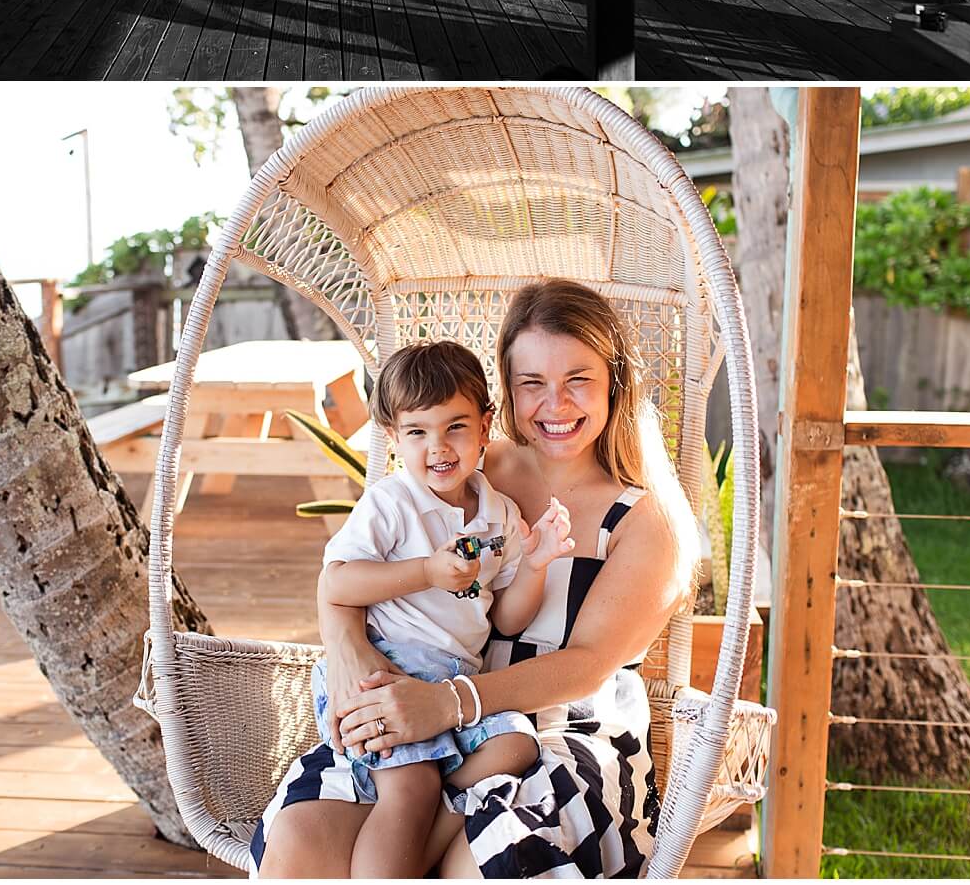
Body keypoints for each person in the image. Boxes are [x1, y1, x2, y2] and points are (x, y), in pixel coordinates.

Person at [253, 279, 701, 880]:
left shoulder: (647, 524)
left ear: (615, 386)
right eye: (532, 384)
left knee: (493, 853)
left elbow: (587, 664)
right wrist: (349, 652)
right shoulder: (466, 465)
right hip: (421, 690)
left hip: (562, 725)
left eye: (578, 380)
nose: (556, 405)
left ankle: (433, 819)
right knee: (303, 842)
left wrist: (448, 704)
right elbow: (345, 577)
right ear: (505, 397)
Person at [307, 339, 576, 878]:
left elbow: (506, 619)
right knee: (410, 789)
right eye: (417, 432)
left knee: (517, 743)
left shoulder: (498, 512)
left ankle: (439, 794)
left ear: (485, 426)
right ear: (393, 438)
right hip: (386, 669)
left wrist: (537, 563)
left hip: (453, 683)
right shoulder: (392, 503)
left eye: (455, 426)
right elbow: (338, 581)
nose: (439, 447)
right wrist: (426, 571)